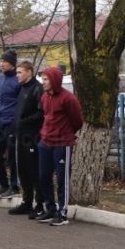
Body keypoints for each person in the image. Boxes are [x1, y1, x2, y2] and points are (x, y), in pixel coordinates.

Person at [35, 67, 83, 227]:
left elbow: (77, 121)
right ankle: (50, 209)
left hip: (62, 144)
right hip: (45, 142)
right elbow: (45, 117)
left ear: (54, 80)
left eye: (46, 79)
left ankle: (62, 213)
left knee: (62, 179)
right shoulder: (44, 97)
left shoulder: (68, 99)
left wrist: (65, 134)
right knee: (43, 176)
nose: (43, 82)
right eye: (42, 79)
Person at [8, 60, 44, 217]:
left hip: (32, 136)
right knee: (21, 169)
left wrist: (24, 122)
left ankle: (40, 204)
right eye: (17, 72)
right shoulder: (22, 89)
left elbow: (41, 113)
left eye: (20, 72)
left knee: (33, 170)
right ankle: (26, 202)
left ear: (29, 72)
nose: (17, 75)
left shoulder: (37, 88)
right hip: (19, 135)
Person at [0, 49, 21, 198]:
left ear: (12, 64)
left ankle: (14, 187)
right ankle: (3, 184)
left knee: (12, 158)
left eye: (5, 61)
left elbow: (23, 102)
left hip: (12, 123)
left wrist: (17, 120)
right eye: (1, 61)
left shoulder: (18, 80)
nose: (2, 64)